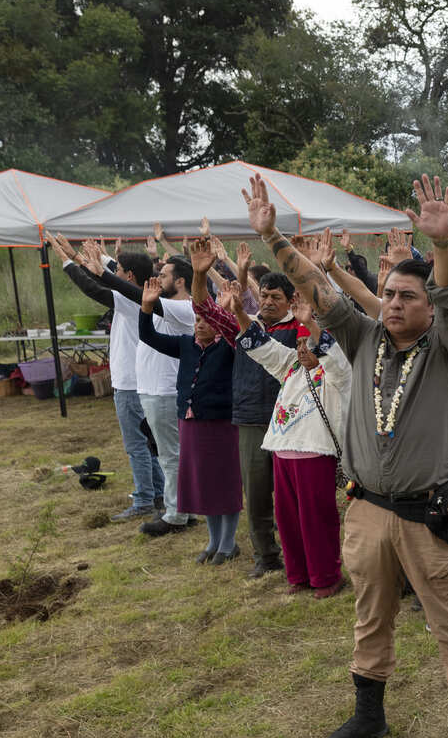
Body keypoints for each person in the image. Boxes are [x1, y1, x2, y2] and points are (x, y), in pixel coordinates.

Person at [244, 172, 448, 738]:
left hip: (429, 515)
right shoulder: (364, 338)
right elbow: (323, 293)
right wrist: (275, 238)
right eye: (391, 294)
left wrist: (438, 246)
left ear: (429, 308)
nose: (396, 304)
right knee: (370, 614)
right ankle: (370, 713)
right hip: (368, 509)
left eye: (409, 297)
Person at [227, 290, 350, 599]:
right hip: (282, 452)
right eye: (299, 343)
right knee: (289, 520)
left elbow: (333, 355)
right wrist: (241, 312)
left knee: (316, 518)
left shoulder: (338, 373)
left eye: (308, 343)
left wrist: (311, 323)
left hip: (315, 454)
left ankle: (326, 576)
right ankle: (298, 574)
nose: (302, 348)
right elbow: (261, 346)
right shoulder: (291, 367)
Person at [191, 250, 298, 579]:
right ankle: (266, 556)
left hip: (291, 422)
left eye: (274, 297)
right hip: (251, 419)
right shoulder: (244, 330)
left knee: (292, 496)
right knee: (256, 494)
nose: (266, 301)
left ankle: (300, 557)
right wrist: (199, 274)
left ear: (290, 302)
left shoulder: (301, 329)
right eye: (263, 295)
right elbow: (203, 308)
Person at [54, 235, 169, 523]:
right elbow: (106, 277)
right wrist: (94, 259)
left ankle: (144, 499)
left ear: (128, 276)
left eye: (117, 271)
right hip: (138, 381)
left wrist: (69, 261)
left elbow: (94, 287)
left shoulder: (130, 299)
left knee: (136, 446)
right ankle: (158, 494)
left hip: (130, 383)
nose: (112, 274)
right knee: (148, 443)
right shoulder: (141, 293)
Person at [135, 268, 241, 565]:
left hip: (220, 424)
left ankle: (229, 543)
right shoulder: (185, 344)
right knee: (203, 484)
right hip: (191, 423)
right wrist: (146, 306)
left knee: (225, 483)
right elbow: (147, 335)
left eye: (206, 320)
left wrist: (226, 310)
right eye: (197, 320)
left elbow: (235, 331)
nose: (200, 325)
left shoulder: (230, 347)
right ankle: (213, 541)